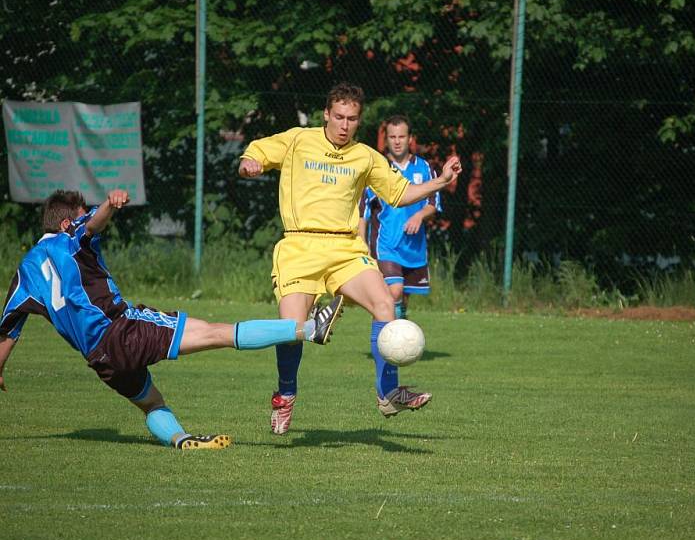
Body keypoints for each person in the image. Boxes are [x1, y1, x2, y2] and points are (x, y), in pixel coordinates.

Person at [0, 189, 344, 450]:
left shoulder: (25, 274)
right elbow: (91, 224)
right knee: (217, 333)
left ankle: (181, 439)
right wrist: (108, 204)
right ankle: (311, 328)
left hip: (99, 358)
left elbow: (8, 331)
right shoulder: (69, 240)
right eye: (80, 213)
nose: (86, 216)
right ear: (65, 224)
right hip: (123, 329)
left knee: (152, 403)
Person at [238, 82, 461, 434]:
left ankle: (388, 393)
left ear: (359, 120)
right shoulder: (297, 139)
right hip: (300, 247)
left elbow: (400, 193)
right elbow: (256, 154)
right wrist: (250, 165)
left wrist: (442, 181)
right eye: (338, 117)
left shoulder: (367, 156)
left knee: (385, 304)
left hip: (344, 249)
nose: (344, 125)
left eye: (352, 119)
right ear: (326, 114)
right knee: (291, 330)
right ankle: (285, 396)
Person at [358, 115, 440, 320]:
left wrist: (419, 215)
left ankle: (395, 339)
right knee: (394, 290)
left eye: (401, 136)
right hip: (385, 246)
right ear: (386, 139)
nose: (396, 141)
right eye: (392, 136)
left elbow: (434, 204)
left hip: (413, 248)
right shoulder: (378, 170)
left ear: (410, 138)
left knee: (402, 298)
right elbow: (363, 213)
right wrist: (361, 247)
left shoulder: (424, 168)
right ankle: (385, 338)